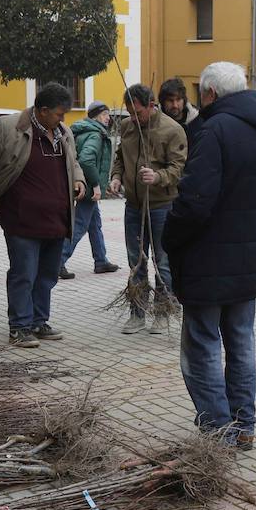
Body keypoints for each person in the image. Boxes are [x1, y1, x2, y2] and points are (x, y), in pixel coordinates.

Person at [163, 62, 256, 451]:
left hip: (207, 260)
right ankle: (244, 425)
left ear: (210, 94)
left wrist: (171, 237)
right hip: (248, 257)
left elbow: (195, 202)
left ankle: (219, 431)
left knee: (201, 347)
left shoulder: (214, 129)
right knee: (241, 342)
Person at [0, 83, 83, 348]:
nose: (63, 119)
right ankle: (19, 327)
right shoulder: (8, 129)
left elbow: (73, 162)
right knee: (24, 274)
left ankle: (39, 322)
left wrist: (79, 181)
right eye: (58, 114)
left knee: (47, 275)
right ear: (42, 111)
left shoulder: (63, 133)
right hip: (21, 219)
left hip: (56, 219)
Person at [110, 83, 187, 334]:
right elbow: (120, 157)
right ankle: (137, 313)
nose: (133, 118)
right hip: (133, 206)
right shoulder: (126, 127)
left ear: (152, 106)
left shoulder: (172, 130)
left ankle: (162, 313)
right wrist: (116, 177)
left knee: (162, 262)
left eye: (138, 113)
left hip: (162, 207)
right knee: (136, 262)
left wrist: (158, 177)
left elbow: (179, 168)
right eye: (130, 113)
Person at [58, 101, 120, 280]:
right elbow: (86, 160)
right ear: (96, 116)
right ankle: (58, 261)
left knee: (95, 225)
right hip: (88, 187)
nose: (108, 118)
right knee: (79, 225)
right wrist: (95, 184)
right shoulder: (95, 134)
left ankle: (101, 260)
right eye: (105, 114)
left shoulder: (85, 130)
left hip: (83, 184)